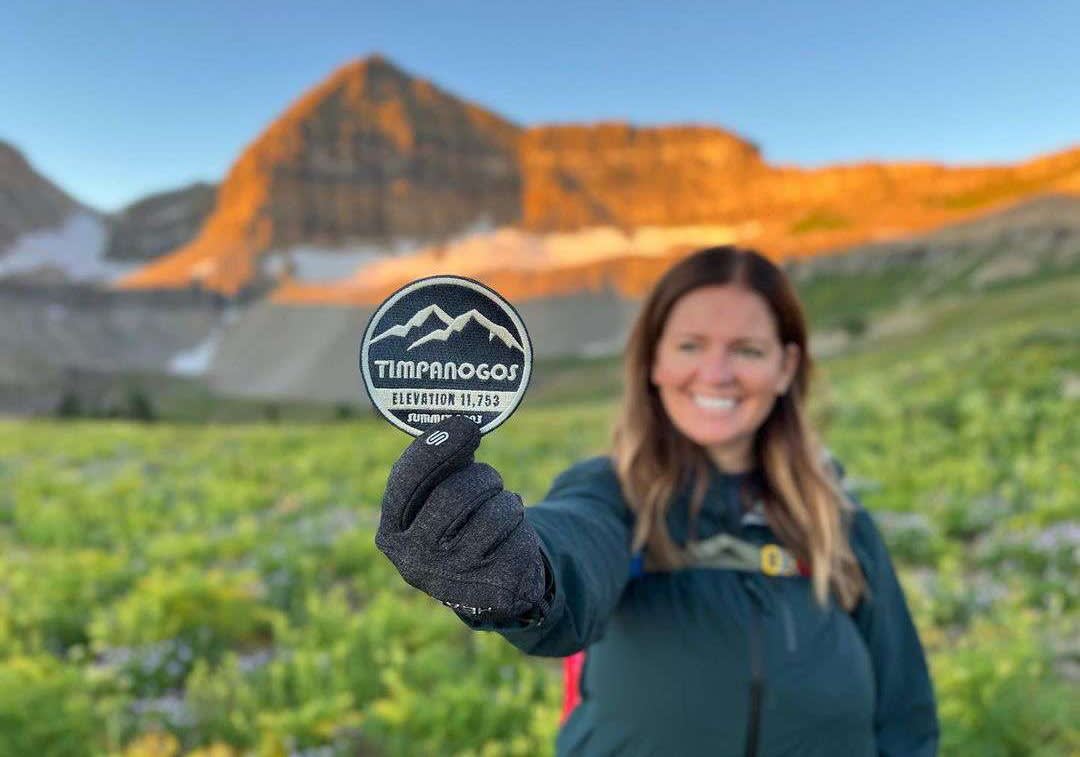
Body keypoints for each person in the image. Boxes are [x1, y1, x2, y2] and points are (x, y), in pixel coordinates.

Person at [376, 246, 939, 756]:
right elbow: (573, 544)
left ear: (785, 368)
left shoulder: (838, 520)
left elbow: (905, 715)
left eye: (747, 349)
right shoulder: (612, 495)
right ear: (654, 362)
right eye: (690, 346)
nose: (716, 374)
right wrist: (521, 570)